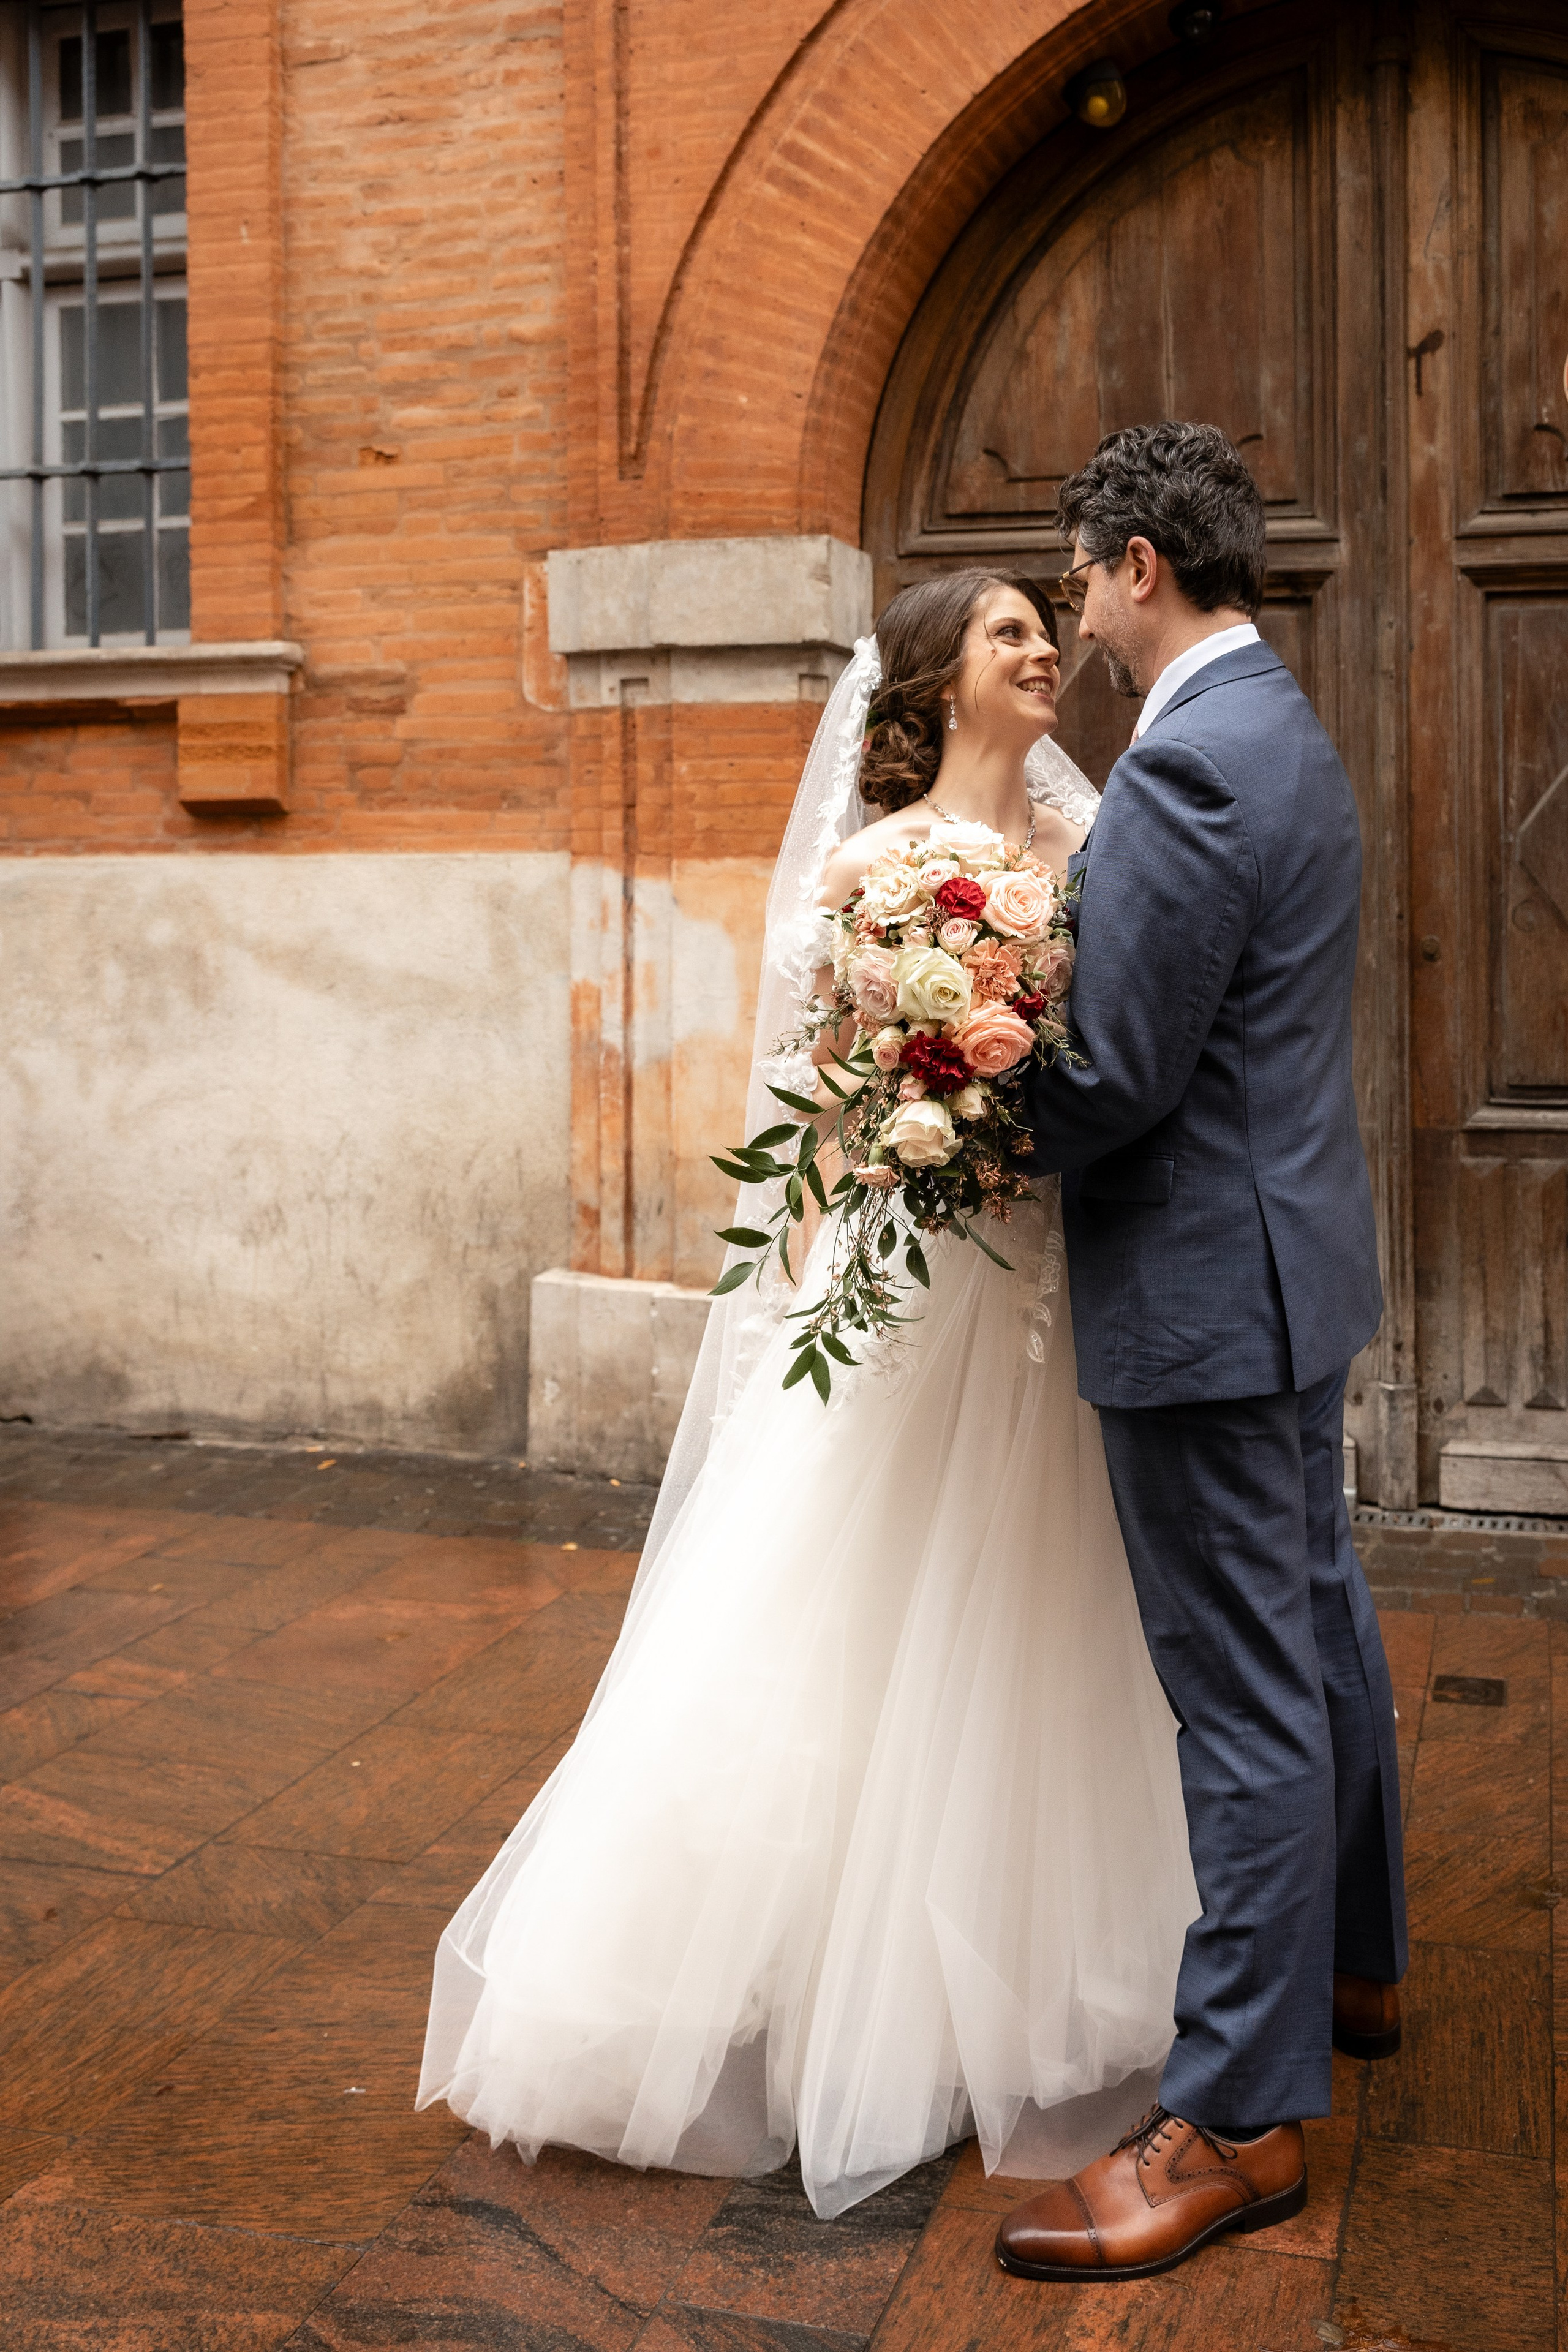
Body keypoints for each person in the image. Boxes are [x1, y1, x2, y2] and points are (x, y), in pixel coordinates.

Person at [417, 568, 1200, 2220]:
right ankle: (792, 1995)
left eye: (1042, 628)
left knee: (1031, 1617)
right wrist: (909, 1142)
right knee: (846, 1605)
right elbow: (824, 1105)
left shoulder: (1090, 852)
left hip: (1047, 1284)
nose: (1042, 648)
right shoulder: (870, 869)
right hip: (910, 1283)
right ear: (933, 683)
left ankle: (1003, 1985)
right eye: (1007, 633)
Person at [996, 421, 1408, 2286]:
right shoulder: (1284, 729)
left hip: (1204, 1293)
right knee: (1315, 1619)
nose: (1076, 610)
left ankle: (1239, 2119)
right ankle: (1353, 1966)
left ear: (1139, 565)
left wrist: (955, 1121)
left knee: (1240, 1689)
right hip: (1287, 1266)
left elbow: (1118, 1073)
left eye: (1081, 574)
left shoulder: (1188, 774)